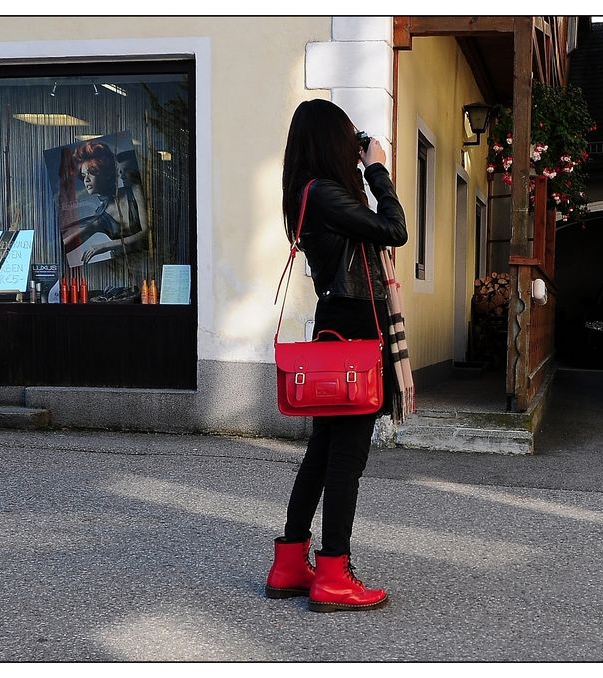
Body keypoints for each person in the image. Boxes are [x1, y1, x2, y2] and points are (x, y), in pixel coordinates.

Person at [265, 99, 408, 612]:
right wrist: (376, 171)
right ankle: (333, 573)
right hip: (354, 325)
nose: (355, 147)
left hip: (338, 321)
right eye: (348, 139)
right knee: (346, 457)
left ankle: (289, 563)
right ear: (332, 141)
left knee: (325, 450)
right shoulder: (324, 193)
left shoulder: (309, 192)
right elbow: (395, 229)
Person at [60, 141, 146, 267]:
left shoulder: (134, 189)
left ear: (107, 173)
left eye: (92, 171)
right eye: (83, 176)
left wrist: (104, 246)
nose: (86, 180)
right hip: (126, 268)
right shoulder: (99, 218)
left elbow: (146, 233)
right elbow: (66, 243)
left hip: (149, 263)